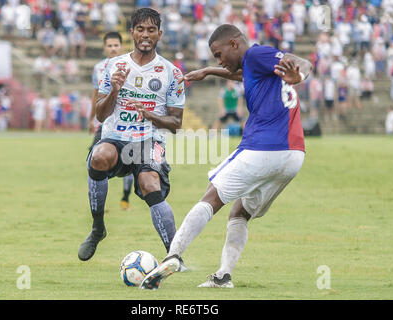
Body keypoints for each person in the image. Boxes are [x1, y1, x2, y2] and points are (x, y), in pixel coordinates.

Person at [141, 23, 311, 289]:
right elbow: (242, 73)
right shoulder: (256, 65)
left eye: (218, 55)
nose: (219, 60)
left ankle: (172, 255)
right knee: (240, 212)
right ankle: (223, 276)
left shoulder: (256, 54)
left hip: (263, 148)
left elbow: (302, 63)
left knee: (212, 193)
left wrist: (299, 76)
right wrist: (210, 71)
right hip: (293, 156)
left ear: (234, 44)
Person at [78, 8, 187, 271]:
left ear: (160, 34)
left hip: (150, 141)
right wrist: (114, 90)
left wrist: (149, 114)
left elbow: (176, 123)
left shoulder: (171, 73)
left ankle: (174, 256)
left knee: (149, 182)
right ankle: (98, 228)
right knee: (99, 155)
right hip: (115, 137)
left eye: (151, 30)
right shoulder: (114, 66)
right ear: (132, 33)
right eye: (140, 29)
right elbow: (100, 114)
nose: (145, 35)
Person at [89, 31, 134, 211]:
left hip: (124, 123)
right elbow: (95, 94)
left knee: (128, 161)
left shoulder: (130, 65)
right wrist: (91, 118)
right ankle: (99, 202)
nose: (113, 48)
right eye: (110, 45)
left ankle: (125, 197)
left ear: (121, 46)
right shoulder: (98, 68)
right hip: (103, 122)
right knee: (94, 158)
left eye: (116, 45)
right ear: (104, 48)